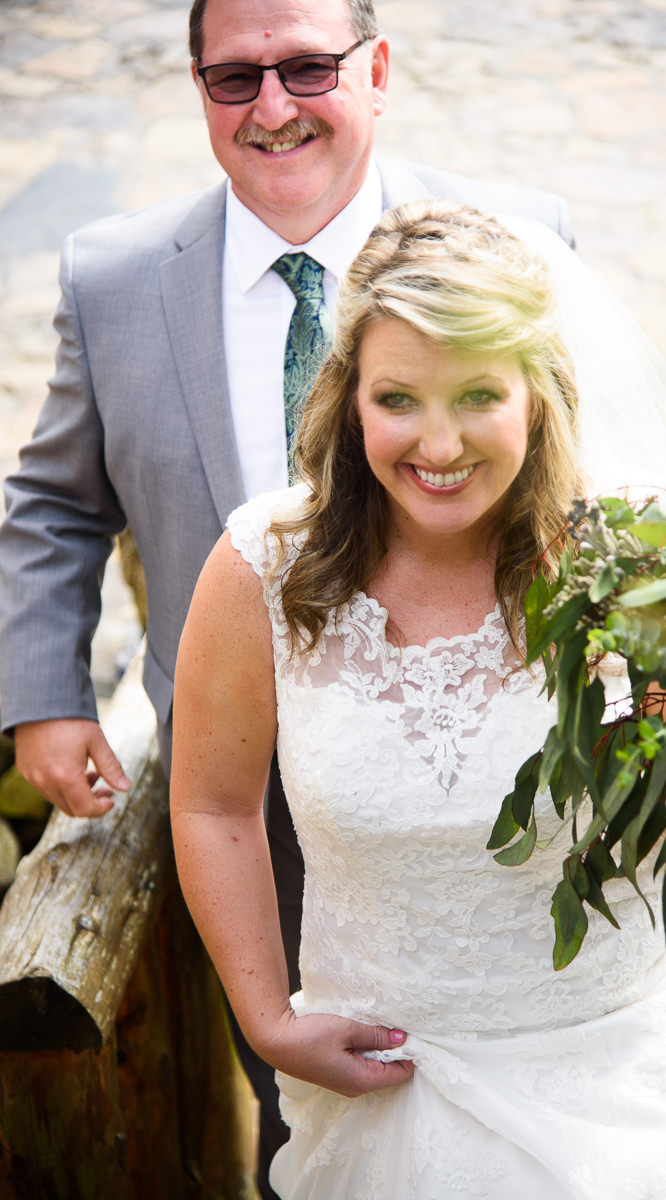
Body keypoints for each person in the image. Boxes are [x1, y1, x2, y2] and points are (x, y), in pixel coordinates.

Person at [0, 1, 575, 1192]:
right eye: (233, 78)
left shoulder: (521, 244)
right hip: (244, 803)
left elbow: (579, 482)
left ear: (376, 70)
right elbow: (54, 505)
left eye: (308, 67)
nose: (272, 107)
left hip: (510, 798)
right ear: (198, 86)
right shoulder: (111, 279)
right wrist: (44, 693)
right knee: (312, 1119)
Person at [170, 199, 666, 1200]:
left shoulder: (639, 554)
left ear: (537, 394)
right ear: (351, 397)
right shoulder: (264, 566)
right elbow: (211, 802)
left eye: (477, 395)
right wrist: (267, 1021)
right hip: (387, 1094)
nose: (440, 443)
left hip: (623, 1085)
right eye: (399, 400)